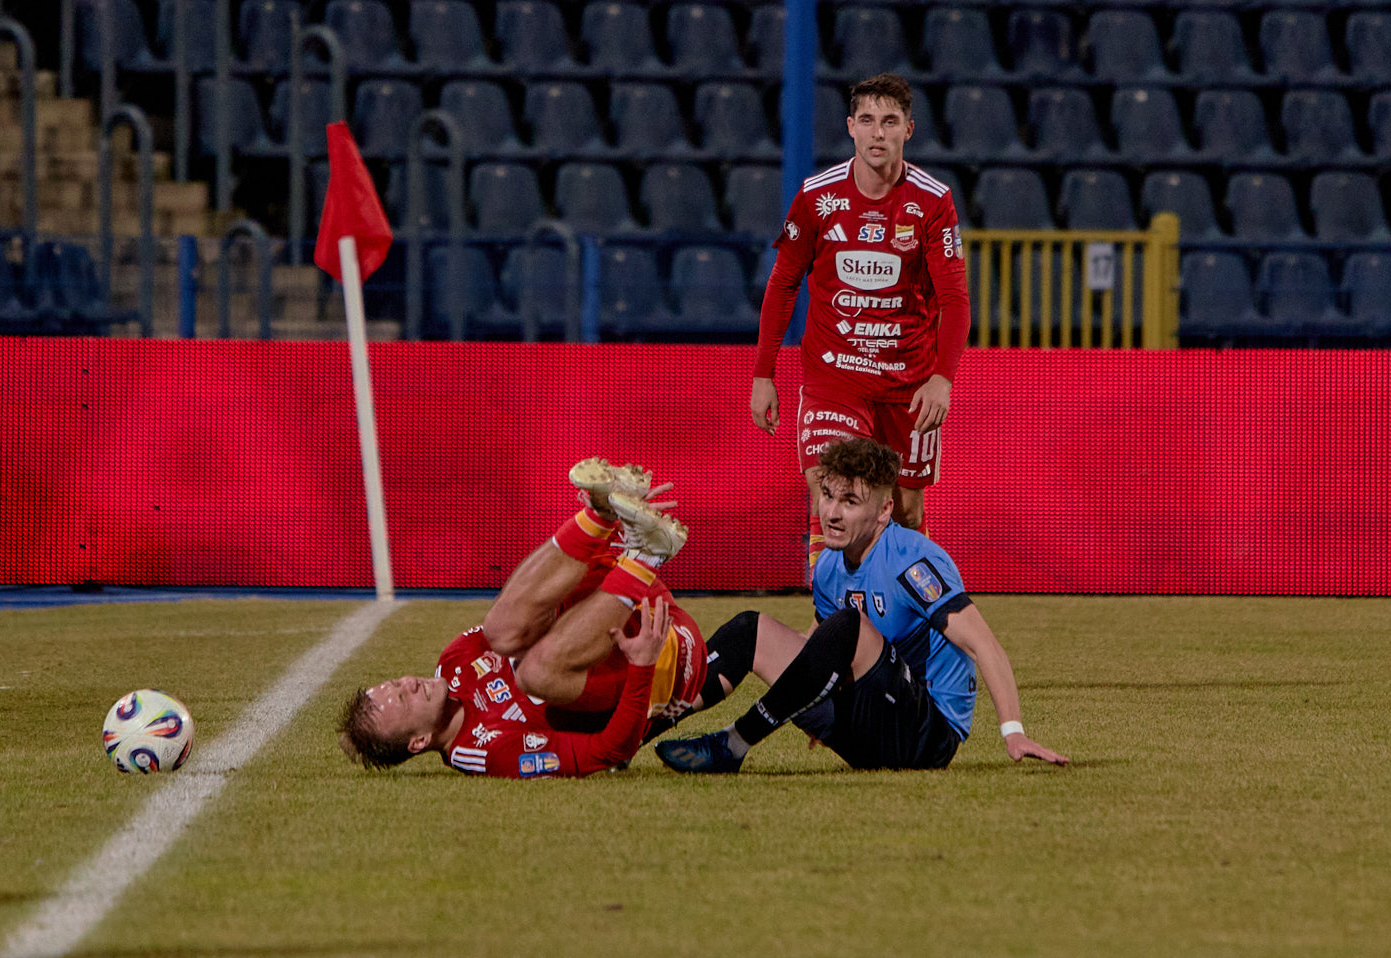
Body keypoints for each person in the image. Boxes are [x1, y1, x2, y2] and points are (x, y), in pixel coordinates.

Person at [655, 438, 1066, 774]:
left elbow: (984, 645)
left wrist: (1013, 731)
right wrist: (805, 697)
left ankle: (732, 743)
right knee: (750, 629)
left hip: (925, 737)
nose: (832, 513)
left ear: (885, 510)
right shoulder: (830, 563)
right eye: (828, 496)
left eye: (850, 502)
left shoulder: (912, 562)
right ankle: (636, 732)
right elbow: (818, 646)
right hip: (862, 722)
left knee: (849, 624)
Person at [337, 459, 706, 777]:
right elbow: (610, 752)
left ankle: (601, 515)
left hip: (622, 605)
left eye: (397, 682)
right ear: (419, 741)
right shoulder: (488, 751)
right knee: (533, 674)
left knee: (500, 632)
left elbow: (528, 612)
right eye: (404, 699)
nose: (410, 683)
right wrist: (642, 666)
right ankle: (647, 556)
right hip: (660, 656)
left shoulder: (453, 664)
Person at [752, 72, 972, 570]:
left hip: (907, 382)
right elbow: (783, 284)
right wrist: (763, 373)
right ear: (850, 126)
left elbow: (955, 300)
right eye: (867, 120)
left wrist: (942, 379)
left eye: (890, 121)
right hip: (836, 375)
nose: (878, 133)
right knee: (832, 492)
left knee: (907, 511)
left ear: (908, 130)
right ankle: (832, 611)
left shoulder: (932, 201)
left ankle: (904, 605)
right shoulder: (817, 197)